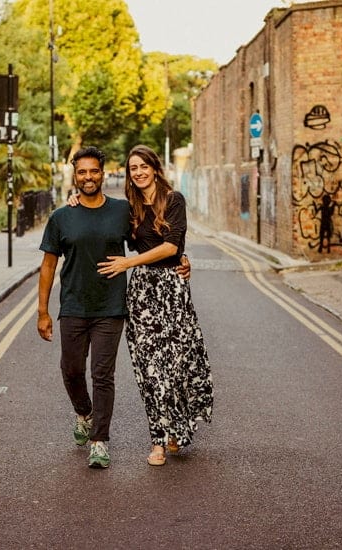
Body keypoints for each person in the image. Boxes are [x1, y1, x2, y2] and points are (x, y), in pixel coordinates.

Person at [95, 144, 213, 467]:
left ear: (155, 168)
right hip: (141, 295)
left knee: (173, 367)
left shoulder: (174, 201)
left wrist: (130, 263)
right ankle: (158, 440)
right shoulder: (128, 208)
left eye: (143, 166)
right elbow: (98, 210)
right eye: (133, 168)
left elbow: (171, 246)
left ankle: (176, 426)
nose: (138, 172)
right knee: (148, 370)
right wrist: (74, 200)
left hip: (171, 290)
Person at [37, 146, 131, 469]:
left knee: (103, 374)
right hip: (74, 305)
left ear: (103, 173)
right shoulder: (61, 217)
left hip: (110, 306)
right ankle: (84, 412)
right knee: (71, 370)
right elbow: (48, 266)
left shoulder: (122, 211)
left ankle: (100, 441)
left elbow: (149, 241)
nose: (88, 177)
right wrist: (43, 311)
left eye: (93, 171)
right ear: (74, 176)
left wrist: (180, 257)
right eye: (82, 172)